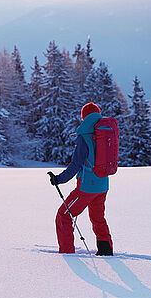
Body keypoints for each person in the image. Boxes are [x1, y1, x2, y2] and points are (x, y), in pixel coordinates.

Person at [49, 102, 114, 255]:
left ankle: (67, 253)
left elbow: (76, 163)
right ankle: (106, 251)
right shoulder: (105, 132)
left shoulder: (84, 134)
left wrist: (59, 179)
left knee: (63, 216)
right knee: (98, 219)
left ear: (84, 116)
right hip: (103, 185)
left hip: (87, 187)